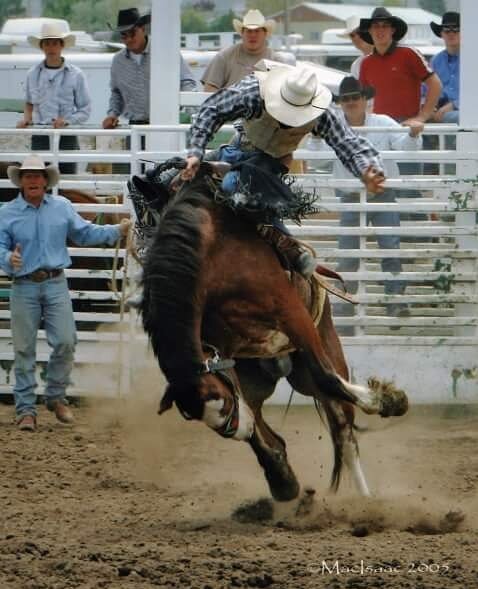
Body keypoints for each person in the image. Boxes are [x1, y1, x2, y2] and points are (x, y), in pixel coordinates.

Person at [182, 64, 386, 278]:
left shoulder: (321, 113)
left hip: (272, 162)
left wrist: (366, 170)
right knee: (173, 176)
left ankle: (286, 242)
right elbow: (212, 109)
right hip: (237, 148)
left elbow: (348, 143)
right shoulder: (253, 92)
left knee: (234, 185)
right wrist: (195, 152)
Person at [0, 155, 132, 431]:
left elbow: (86, 233)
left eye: (37, 175)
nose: (33, 180)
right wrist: (7, 259)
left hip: (55, 282)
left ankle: (55, 395)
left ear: (45, 180)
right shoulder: (7, 213)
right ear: (21, 181)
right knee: (24, 349)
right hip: (23, 284)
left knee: (66, 341)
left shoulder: (61, 207)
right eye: (28, 176)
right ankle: (26, 410)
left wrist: (116, 231)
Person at [329, 77, 423, 318]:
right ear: (341, 103)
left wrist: (412, 134)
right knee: (348, 253)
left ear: (364, 100)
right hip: (353, 196)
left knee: (389, 248)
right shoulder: (335, 127)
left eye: (355, 98)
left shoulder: (383, 122)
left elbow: (405, 148)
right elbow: (317, 157)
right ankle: (346, 304)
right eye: (346, 99)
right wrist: (317, 141)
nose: (351, 102)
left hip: (381, 194)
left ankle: (394, 302)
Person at [102, 7, 197, 129]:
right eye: (124, 35)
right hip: (135, 126)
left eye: (132, 33)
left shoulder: (165, 52)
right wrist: (112, 114)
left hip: (166, 124)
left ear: (143, 29)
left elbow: (186, 81)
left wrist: (190, 110)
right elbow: (116, 93)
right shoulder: (118, 61)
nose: (129, 39)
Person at [16, 22, 91, 175]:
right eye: (47, 43)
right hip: (40, 135)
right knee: (39, 177)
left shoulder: (76, 74)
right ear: (42, 47)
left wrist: (67, 121)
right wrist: (27, 119)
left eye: (55, 43)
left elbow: (85, 109)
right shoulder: (32, 74)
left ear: (61, 45)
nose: (51, 48)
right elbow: (29, 103)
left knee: (66, 178)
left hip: (66, 136)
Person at [201, 9, 282, 92]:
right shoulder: (224, 57)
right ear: (242, 33)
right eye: (249, 31)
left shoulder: (276, 61)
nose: (253, 35)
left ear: (265, 34)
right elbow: (209, 88)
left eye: (257, 31)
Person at [429, 12, 460, 125]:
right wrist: (428, 107)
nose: (451, 33)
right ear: (441, 33)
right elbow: (425, 90)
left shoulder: (473, 61)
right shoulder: (435, 61)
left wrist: (454, 105)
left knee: (458, 118)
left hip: (465, 111)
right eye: (447, 30)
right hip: (438, 110)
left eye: (456, 29)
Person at [337, 15, 373, 79]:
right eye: (352, 35)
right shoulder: (356, 65)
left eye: (359, 32)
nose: (356, 37)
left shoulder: (387, 56)